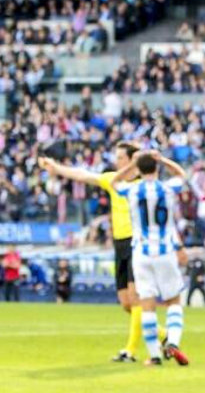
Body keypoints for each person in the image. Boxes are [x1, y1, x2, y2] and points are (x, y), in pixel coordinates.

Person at [41, 143, 162, 363]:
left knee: (135, 299)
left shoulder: (144, 184)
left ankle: (130, 351)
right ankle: (162, 335)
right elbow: (83, 175)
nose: (116, 161)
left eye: (120, 158)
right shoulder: (113, 180)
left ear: (131, 160)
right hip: (120, 244)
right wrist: (57, 168)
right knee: (126, 302)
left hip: (138, 243)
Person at [110, 151, 191, 368]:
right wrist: (162, 159)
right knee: (174, 301)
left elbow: (115, 181)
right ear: (156, 168)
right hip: (165, 251)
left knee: (146, 305)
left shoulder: (132, 189)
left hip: (141, 253)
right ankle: (173, 342)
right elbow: (182, 175)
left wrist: (132, 165)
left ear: (139, 169)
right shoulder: (167, 188)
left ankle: (154, 356)